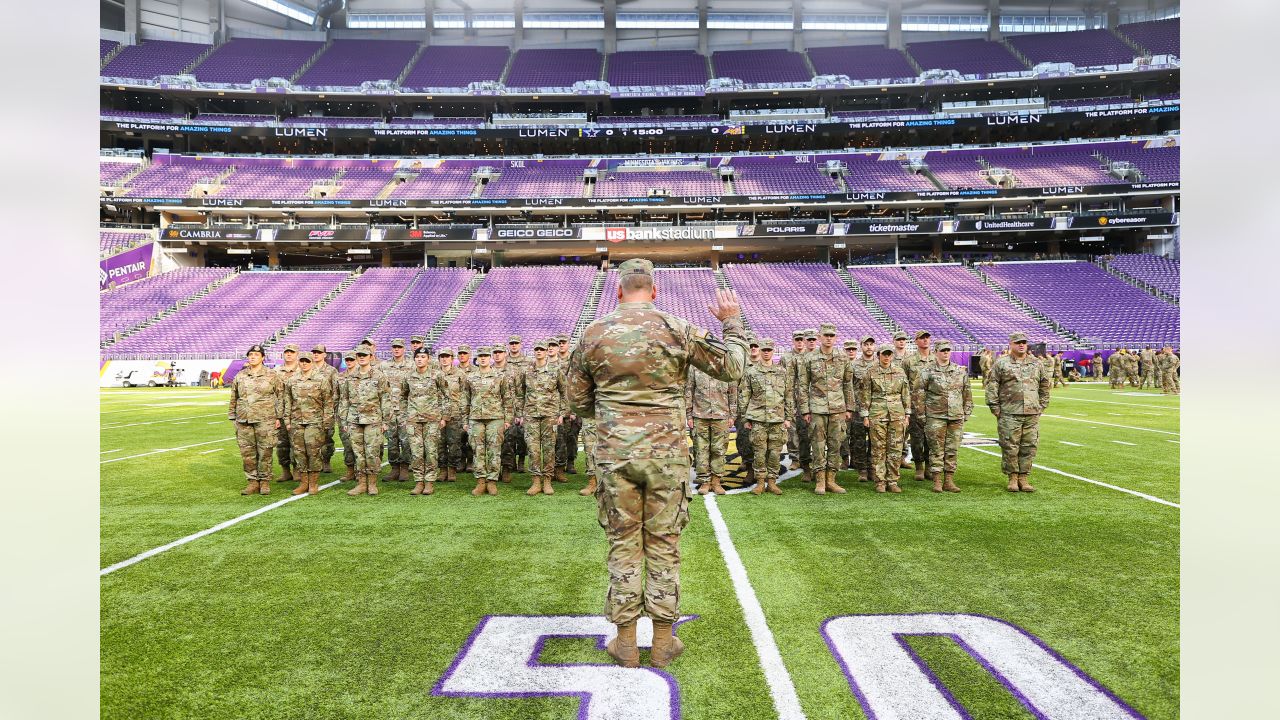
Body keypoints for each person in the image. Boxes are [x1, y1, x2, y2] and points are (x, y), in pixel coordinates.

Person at [567, 258, 747, 670]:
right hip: (666, 456)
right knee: (664, 544)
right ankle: (664, 641)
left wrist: (617, 415)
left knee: (623, 544)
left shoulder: (593, 333)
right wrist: (732, 321)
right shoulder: (677, 328)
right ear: (655, 290)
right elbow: (733, 368)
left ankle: (626, 643)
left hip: (615, 455)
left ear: (618, 291)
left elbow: (578, 403)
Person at [985, 332, 1051, 493]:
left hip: (1031, 413)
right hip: (1009, 412)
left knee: (1029, 446)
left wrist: (1041, 405)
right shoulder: (1002, 363)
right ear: (1011, 344)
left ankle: (1024, 477)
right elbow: (992, 386)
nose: (1021, 345)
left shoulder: (1036, 363)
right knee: (1010, 446)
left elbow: (1044, 385)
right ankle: (1013, 477)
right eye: (1017, 342)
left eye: (1024, 342)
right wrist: (995, 408)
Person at [799, 322, 854, 495]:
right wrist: (805, 410)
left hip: (838, 407)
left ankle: (831, 479)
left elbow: (847, 384)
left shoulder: (843, 358)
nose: (829, 338)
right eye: (826, 335)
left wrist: (849, 407)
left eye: (832, 336)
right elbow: (802, 385)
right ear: (820, 337)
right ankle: (820, 480)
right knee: (817, 444)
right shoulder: (809, 358)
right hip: (817, 408)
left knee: (835, 444)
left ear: (835, 338)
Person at [915, 340, 971, 493]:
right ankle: (937, 481)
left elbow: (967, 393)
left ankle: (949, 480)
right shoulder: (927, 371)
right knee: (936, 450)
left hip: (956, 416)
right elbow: (919, 393)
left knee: (952, 449)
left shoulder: (960, 371)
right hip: (935, 416)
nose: (945, 353)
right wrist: (921, 415)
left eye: (947, 350)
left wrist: (967, 412)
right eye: (942, 350)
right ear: (936, 352)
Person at [739, 338, 793, 495]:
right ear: (760, 351)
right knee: (759, 453)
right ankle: (760, 482)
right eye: (764, 350)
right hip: (758, 419)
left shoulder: (782, 372)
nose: (767, 352)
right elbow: (744, 396)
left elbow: (788, 396)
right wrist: (745, 418)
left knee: (775, 453)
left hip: (777, 419)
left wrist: (788, 418)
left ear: (773, 351)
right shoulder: (751, 372)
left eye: (769, 349)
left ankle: (772, 482)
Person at [229, 344, 283, 495]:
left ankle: (264, 482)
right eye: (250, 354)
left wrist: (279, 417)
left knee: (265, 451)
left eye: (256, 355)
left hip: (265, 419)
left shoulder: (272, 375)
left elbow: (280, 396)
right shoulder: (241, 375)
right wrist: (232, 416)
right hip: (244, 419)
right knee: (247, 452)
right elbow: (234, 396)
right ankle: (252, 481)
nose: (252, 357)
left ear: (263, 358)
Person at [515, 339, 565, 496]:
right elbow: (519, 393)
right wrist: (520, 413)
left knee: (549, 448)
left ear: (546, 352)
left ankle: (548, 480)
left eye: (542, 350)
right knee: (533, 448)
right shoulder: (527, 371)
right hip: (531, 415)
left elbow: (564, 392)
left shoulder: (555, 370)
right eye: (537, 349)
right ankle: (536, 480)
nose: (539, 352)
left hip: (550, 415)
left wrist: (562, 413)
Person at [340, 346, 392, 496]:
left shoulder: (379, 376)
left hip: (373, 420)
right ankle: (361, 483)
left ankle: (372, 483)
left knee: (372, 452)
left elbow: (386, 399)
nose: (362, 357)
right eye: (359, 355)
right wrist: (344, 421)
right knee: (358, 453)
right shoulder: (350, 377)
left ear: (371, 356)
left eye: (365, 355)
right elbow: (344, 400)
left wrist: (385, 421)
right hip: (354, 420)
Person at [464, 346, 513, 496]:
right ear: (477, 359)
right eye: (480, 356)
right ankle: (480, 481)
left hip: (495, 417)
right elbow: (465, 400)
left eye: (486, 356)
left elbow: (507, 398)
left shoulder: (499, 376)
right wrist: (465, 420)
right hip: (475, 418)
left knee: (494, 450)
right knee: (477, 450)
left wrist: (508, 418)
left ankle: (492, 481)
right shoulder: (470, 377)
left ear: (490, 358)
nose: (483, 358)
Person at [861, 344, 910, 494]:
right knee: (878, 449)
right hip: (877, 414)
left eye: (889, 354)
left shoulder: (899, 372)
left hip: (897, 415)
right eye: (884, 354)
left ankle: (893, 481)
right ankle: (880, 481)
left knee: (895, 448)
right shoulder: (870, 372)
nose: (887, 357)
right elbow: (865, 395)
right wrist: (865, 415)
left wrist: (907, 414)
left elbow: (905, 394)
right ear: (879, 356)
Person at [401, 346, 450, 496]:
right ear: (414, 359)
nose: (420, 359)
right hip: (414, 420)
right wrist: (405, 416)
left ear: (428, 359)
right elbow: (403, 397)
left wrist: (444, 417)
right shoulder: (408, 376)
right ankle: (418, 481)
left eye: (423, 357)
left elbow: (447, 396)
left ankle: (429, 482)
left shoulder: (437, 375)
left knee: (431, 451)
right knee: (416, 452)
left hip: (432, 420)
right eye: (417, 357)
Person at [283, 353, 332, 496]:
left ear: (311, 363)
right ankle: (303, 482)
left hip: (315, 421)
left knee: (313, 451)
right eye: (302, 361)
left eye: (307, 361)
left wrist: (326, 421)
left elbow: (328, 403)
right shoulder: (292, 380)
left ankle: (313, 483)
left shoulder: (321, 379)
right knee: (299, 452)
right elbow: (288, 401)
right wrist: (287, 420)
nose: (304, 364)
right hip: (297, 421)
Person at [686, 364, 736, 495]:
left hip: (721, 415)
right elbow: (689, 390)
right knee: (701, 450)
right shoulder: (695, 368)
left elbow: (733, 393)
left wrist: (733, 415)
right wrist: (689, 414)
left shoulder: (727, 368)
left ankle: (716, 481)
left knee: (719, 450)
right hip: (699, 415)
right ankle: (705, 481)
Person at [902, 330, 935, 481]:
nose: (925, 340)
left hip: (934, 405)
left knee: (932, 438)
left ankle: (929, 466)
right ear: (916, 341)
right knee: (916, 439)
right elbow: (903, 384)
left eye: (927, 338)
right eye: (922, 338)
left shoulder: (936, 359)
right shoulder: (909, 361)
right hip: (915, 405)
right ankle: (919, 467)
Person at [380, 339, 414, 483]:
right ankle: (394, 468)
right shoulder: (384, 365)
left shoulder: (411, 365)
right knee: (391, 440)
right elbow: (381, 388)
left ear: (404, 349)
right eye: (394, 347)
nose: (396, 349)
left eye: (399, 347)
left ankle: (405, 467)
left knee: (406, 440)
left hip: (405, 409)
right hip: (388, 410)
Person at [848, 335, 877, 482]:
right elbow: (848, 387)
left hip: (876, 409)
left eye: (871, 344)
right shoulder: (853, 365)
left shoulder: (880, 364)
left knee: (875, 440)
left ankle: (873, 468)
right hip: (858, 409)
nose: (869, 347)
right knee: (858, 440)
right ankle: (862, 470)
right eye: (866, 344)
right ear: (861, 346)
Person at [274, 344, 303, 488]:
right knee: (281, 444)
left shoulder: (302, 369)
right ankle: (285, 470)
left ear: (297, 354)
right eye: (286, 352)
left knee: (297, 443)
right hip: (280, 412)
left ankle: (297, 469)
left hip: (297, 412)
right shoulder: (276, 371)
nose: (289, 355)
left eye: (292, 352)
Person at [437, 348, 468, 481]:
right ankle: (442, 469)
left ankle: (452, 469)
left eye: (447, 356)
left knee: (454, 443)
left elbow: (465, 394)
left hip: (455, 413)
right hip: (437, 413)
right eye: (442, 356)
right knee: (439, 443)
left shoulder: (460, 374)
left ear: (452, 358)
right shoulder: (434, 374)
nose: (444, 359)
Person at [309, 345, 340, 474]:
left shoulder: (331, 371)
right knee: (312, 438)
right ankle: (316, 462)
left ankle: (326, 460)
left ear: (324, 355)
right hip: (310, 410)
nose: (316, 354)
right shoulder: (307, 369)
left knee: (327, 437)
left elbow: (335, 390)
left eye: (319, 352)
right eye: (314, 352)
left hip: (326, 409)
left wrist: (331, 408)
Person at [555, 335, 581, 482]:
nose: (561, 345)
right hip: (557, 405)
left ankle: (570, 462)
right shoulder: (552, 362)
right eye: (559, 343)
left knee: (572, 436)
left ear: (568, 344)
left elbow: (577, 385)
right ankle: (558, 465)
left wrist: (573, 410)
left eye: (563, 343)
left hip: (572, 404)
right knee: (559, 439)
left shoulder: (573, 362)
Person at [735, 335, 760, 484]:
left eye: (755, 346)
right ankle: (749, 466)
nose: (753, 348)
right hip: (744, 408)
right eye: (750, 346)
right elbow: (734, 387)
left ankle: (762, 470)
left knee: (761, 440)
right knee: (743, 438)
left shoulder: (766, 365)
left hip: (761, 409)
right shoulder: (741, 366)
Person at [504, 334, 530, 474]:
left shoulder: (528, 362)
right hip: (507, 403)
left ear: (521, 344)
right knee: (508, 436)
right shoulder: (504, 361)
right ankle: (510, 462)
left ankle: (521, 461)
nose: (514, 345)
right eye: (511, 343)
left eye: (516, 343)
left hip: (523, 402)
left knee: (522, 435)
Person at [336, 348, 359, 480]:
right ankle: (350, 470)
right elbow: (336, 396)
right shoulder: (340, 376)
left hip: (358, 414)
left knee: (359, 444)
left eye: (352, 359)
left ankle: (360, 471)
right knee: (347, 443)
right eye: (347, 360)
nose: (349, 362)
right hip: (344, 414)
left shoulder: (360, 375)